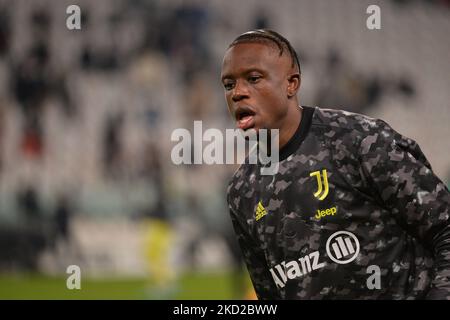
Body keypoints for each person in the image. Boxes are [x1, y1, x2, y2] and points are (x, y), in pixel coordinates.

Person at [222, 29, 450, 299]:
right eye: (228, 84)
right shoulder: (241, 191)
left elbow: (444, 228)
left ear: (291, 83)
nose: (237, 93)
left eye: (253, 78)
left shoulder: (361, 141)